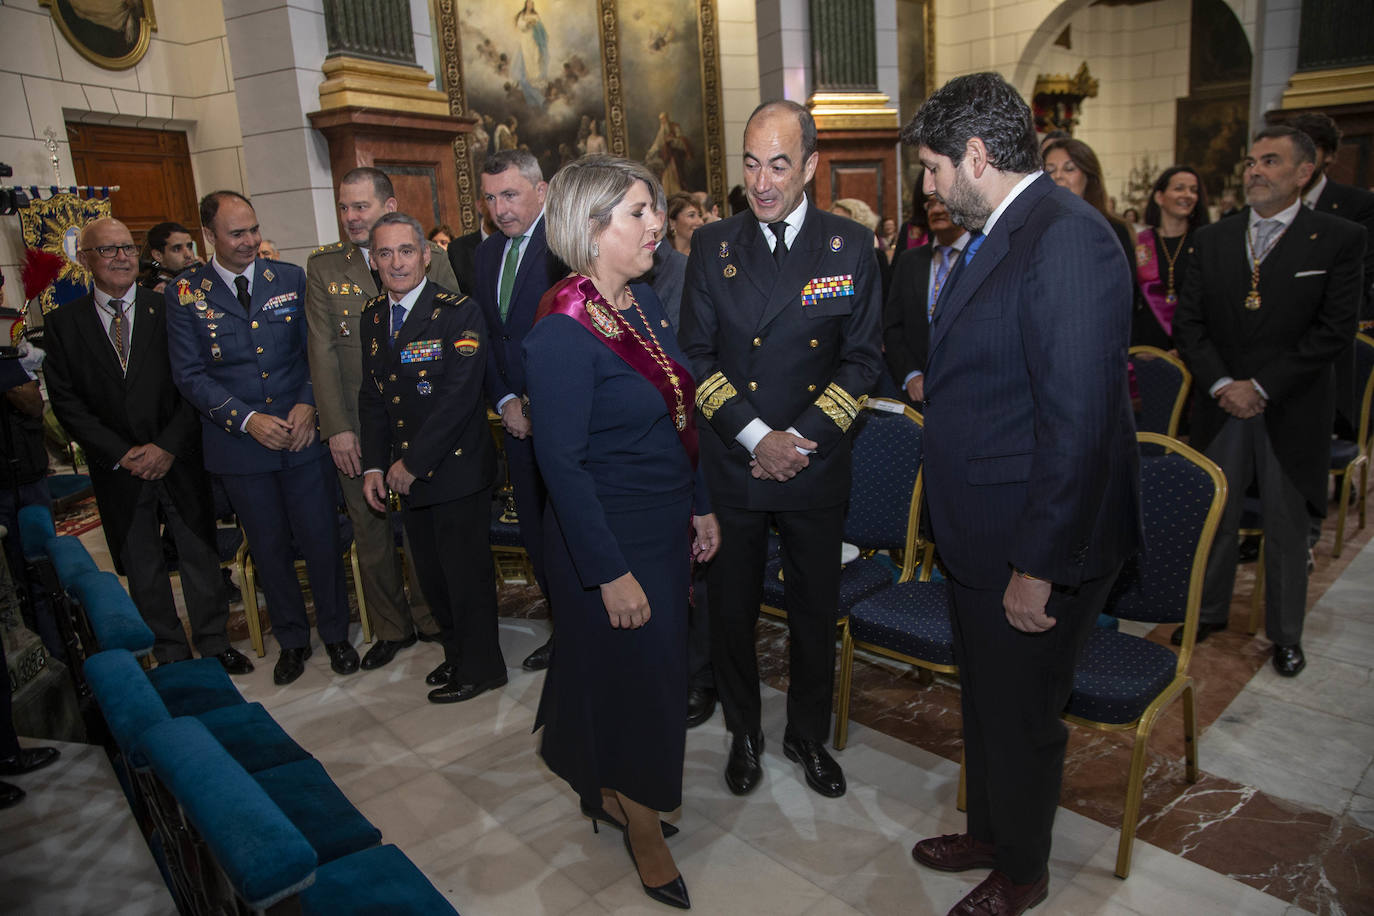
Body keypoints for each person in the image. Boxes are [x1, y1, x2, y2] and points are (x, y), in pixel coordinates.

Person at [904, 72, 1140, 914]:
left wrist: (1038, 565)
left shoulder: (1066, 237)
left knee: (1026, 715)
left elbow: (1078, 425)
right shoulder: (1003, 228)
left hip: (1033, 540)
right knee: (987, 701)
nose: (929, 188)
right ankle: (990, 831)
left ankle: (1024, 871)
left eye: (934, 169)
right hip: (982, 530)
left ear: (976, 156)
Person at [525, 154, 719, 910]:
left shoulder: (641, 304)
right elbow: (562, 468)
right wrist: (609, 572)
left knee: (650, 679)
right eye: (639, 212)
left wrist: (699, 503)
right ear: (591, 226)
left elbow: (678, 413)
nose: (656, 224)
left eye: (654, 209)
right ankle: (644, 831)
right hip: (606, 539)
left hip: (662, 524)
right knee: (639, 691)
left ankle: (609, 786)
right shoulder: (562, 330)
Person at [679, 100, 884, 801]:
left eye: (778, 165)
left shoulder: (849, 245)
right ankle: (744, 731)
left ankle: (806, 734)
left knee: (812, 611)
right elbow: (696, 356)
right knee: (731, 611)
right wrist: (755, 437)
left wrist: (799, 440)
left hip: (812, 462)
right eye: (750, 164)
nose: (762, 183)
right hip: (735, 461)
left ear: (810, 166)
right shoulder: (713, 245)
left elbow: (863, 361)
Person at [1173, 125, 1363, 677]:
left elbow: (1334, 331)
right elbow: (1190, 324)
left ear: (1304, 172)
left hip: (1292, 406)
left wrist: (1259, 387)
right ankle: (1207, 612)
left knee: (1285, 525)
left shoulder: (1337, 238)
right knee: (1215, 517)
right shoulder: (1213, 238)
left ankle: (1285, 634)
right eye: (1251, 161)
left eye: (1270, 161)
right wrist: (1221, 384)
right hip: (1221, 404)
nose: (1254, 170)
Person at [166, 190, 358, 686]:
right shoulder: (186, 293)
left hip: (302, 435)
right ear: (208, 235)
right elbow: (189, 375)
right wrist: (247, 420)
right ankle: (292, 640)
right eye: (237, 233)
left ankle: (336, 633)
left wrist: (309, 403)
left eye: (253, 229)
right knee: (269, 549)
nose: (250, 240)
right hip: (242, 448)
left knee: (321, 539)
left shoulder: (290, 278)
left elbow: (318, 350)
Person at [44, 217, 250, 674]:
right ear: (85, 260)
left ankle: (215, 642)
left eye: (126, 248)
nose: (121, 257)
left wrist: (166, 447)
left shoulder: (170, 307)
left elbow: (195, 383)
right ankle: (170, 652)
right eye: (107, 250)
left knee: (198, 554)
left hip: (178, 456)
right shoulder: (63, 324)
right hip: (119, 468)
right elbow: (67, 403)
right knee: (142, 563)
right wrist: (122, 453)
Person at [305, 167, 459, 672]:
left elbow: (453, 336)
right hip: (358, 424)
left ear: (389, 205)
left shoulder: (429, 255)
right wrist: (336, 427)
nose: (351, 217)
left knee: (424, 528)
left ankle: (432, 617)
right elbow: (322, 352)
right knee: (370, 532)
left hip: (421, 421)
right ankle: (391, 628)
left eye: (361, 206)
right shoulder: (326, 267)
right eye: (343, 207)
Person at [357, 212, 507, 702]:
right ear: (373, 261)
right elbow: (374, 397)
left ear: (425, 255)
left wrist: (412, 464)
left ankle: (483, 668)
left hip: (454, 469)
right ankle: (457, 655)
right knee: (432, 578)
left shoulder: (458, 313)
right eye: (385, 253)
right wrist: (375, 465)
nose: (396, 262)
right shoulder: (373, 316)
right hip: (405, 474)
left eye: (406, 251)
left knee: (465, 578)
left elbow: (459, 399)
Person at [474, 149, 568, 671]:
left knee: (572, 528)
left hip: (566, 417)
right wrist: (507, 400)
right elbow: (486, 338)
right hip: (515, 422)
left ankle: (588, 630)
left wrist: (534, 400)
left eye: (509, 195)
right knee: (535, 531)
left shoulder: (566, 244)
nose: (500, 209)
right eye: (490, 198)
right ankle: (562, 630)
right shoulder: (487, 253)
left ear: (542, 190)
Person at [882, 193, 969, 405]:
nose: (936, 210)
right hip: (917, 397)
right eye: (931, 204)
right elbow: (892, 327)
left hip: (970, 391)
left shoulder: (982, 256)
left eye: (944, 202)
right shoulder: (909, 261)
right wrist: (910, 374)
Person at [1292, 111, 1374, 319]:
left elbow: (1359, 278)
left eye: (1309, 149)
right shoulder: (1268, 206)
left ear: (1328, 155)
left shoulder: (1359, 206)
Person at [1133, 166, 1210, 349]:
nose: (1187, 195)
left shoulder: (1205, 242)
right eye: (1179, 188)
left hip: (1194, 348)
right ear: (1159, 197)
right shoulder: (1139, 243)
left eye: (1193, 190)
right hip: (1147, 349)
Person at [1043, 137, 1136, 272]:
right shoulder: (1035, 229)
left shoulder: (1114, 229)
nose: (1058, 176)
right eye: (1050, 171)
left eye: (1069, 169)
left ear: (1088, 177)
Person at [447, 200, 497, 297]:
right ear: (480, 206)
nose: (499, 208)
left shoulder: (520, 244)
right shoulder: (457, 249)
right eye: (491, 198)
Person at [140, 221, 199, 293]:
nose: (188, 255)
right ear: (158, 255)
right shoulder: (149, 288)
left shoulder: (201, 276)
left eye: (189, 247)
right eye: (177, 249)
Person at [665, 192, 702, 258]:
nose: (700, 222)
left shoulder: (704, 253)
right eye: (691, 215)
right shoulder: (659, 257)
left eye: (700, 215)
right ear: (672, 222)